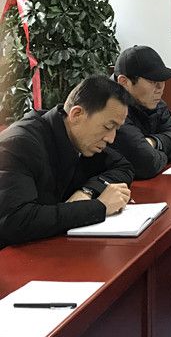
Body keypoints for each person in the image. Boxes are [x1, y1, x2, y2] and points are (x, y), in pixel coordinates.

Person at [0, 76, 135, 248]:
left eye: (117, 129)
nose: (111, 138)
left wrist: (87, 191)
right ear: (76, 114)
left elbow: (123, 167)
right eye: (108, 127)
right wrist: (99, 207)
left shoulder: (81, 139)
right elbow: (15, 222)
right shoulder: (19, 144)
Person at [112, 45, 171, 179]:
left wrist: (154, 142)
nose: (160, 88)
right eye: (152, 81)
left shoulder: (153, 102)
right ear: (124, 82)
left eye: (162, 80)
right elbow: (146, 163)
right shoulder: (110, 108)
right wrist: (162, 151)